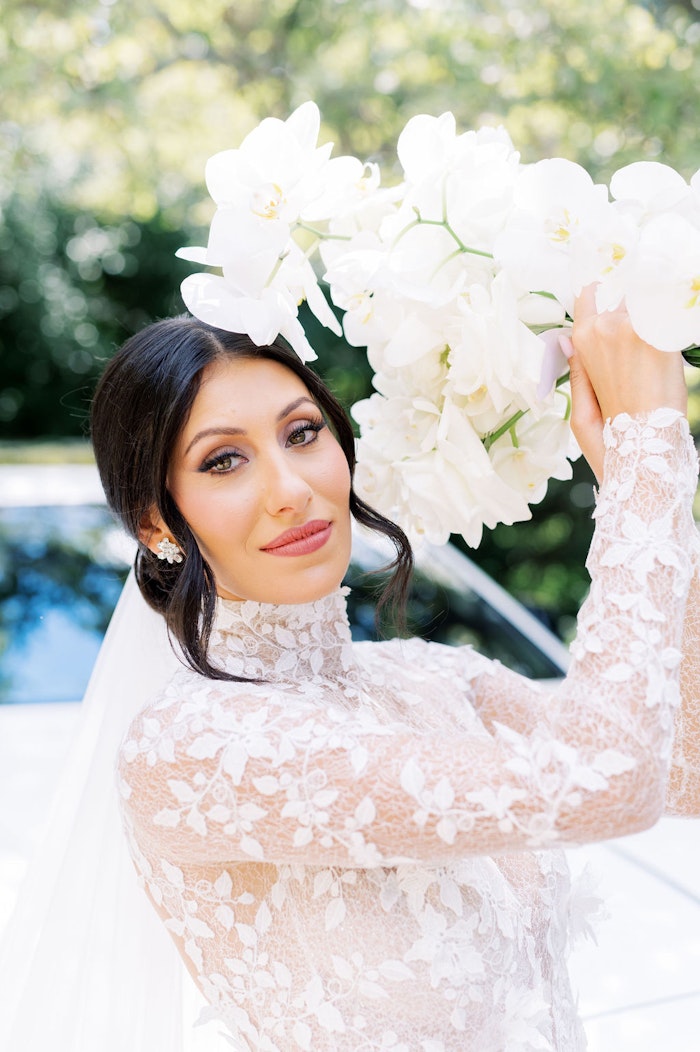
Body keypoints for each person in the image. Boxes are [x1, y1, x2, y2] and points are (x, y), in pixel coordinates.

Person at [1, 289, 698, 1052]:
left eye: (302, 433)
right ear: (157, 521)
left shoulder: (435, 679)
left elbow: (680, 773)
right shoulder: (192, 748)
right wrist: (648, 455)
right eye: (224, 459)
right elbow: (607, 780)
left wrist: (640, 485)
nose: (291, 489)